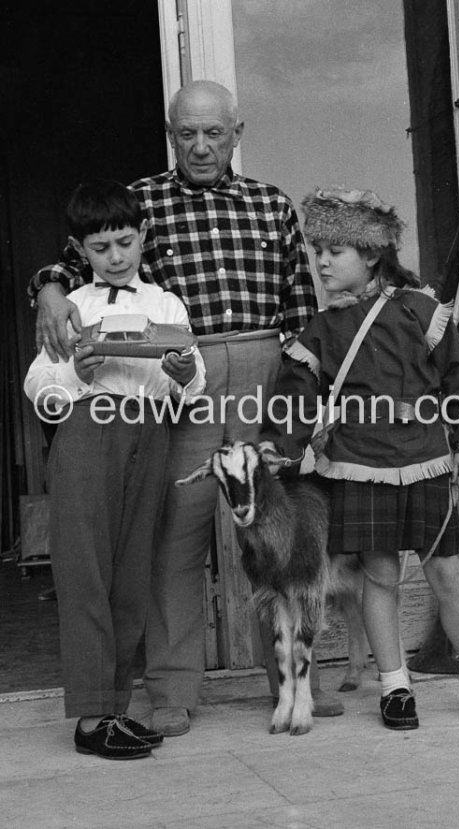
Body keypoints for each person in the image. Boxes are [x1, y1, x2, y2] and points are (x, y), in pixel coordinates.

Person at [27, 81, 344, 736]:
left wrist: (303, 399)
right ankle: (171, 689)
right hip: (183, 378)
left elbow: (298, 310)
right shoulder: (141, 202)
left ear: (236, 134)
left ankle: (292, 681)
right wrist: (49, 290)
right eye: (187, 133)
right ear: (171, 135)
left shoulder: (270, 204)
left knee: (276, 527)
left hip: (262, 367)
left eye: (214, 133)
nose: (201, 146)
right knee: (175, 532)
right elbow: (74, 260)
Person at [261, 185, 459, 730]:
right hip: (359, 465)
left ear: (372, 254)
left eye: (335, 251)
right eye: (317, 250)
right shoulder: (322, 329)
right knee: (379, 576)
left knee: (447, 571)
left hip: (426, 459)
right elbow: (294, 397)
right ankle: (395, 687)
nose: (321, 262)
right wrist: (279, 447)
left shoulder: (420, 310)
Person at [24, 180, 206, 758]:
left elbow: (193, 380)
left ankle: (114, 710)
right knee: (86, 575)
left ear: (143, 235)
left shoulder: (166, 304)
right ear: (81, 250)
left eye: (125, 242)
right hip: (86, 432)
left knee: (130, 579)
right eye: (101, 248)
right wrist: (75, 373)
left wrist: (183, 374)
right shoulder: (71, 306)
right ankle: (89, 719)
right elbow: (38, 388)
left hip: (150, 432)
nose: (117, 256)